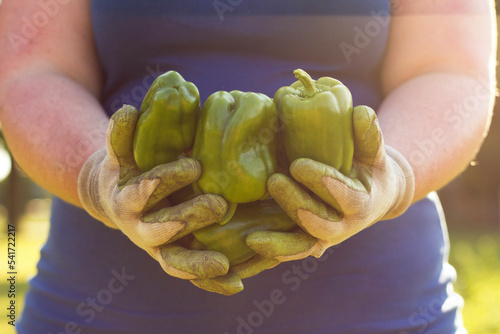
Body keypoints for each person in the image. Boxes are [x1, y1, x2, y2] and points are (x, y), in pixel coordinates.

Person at [0, 0, 495, 333]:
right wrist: (96, 180)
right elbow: (31, 69)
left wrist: (395, 177)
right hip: (101, 309)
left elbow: (450, 68)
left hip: (380, 307)